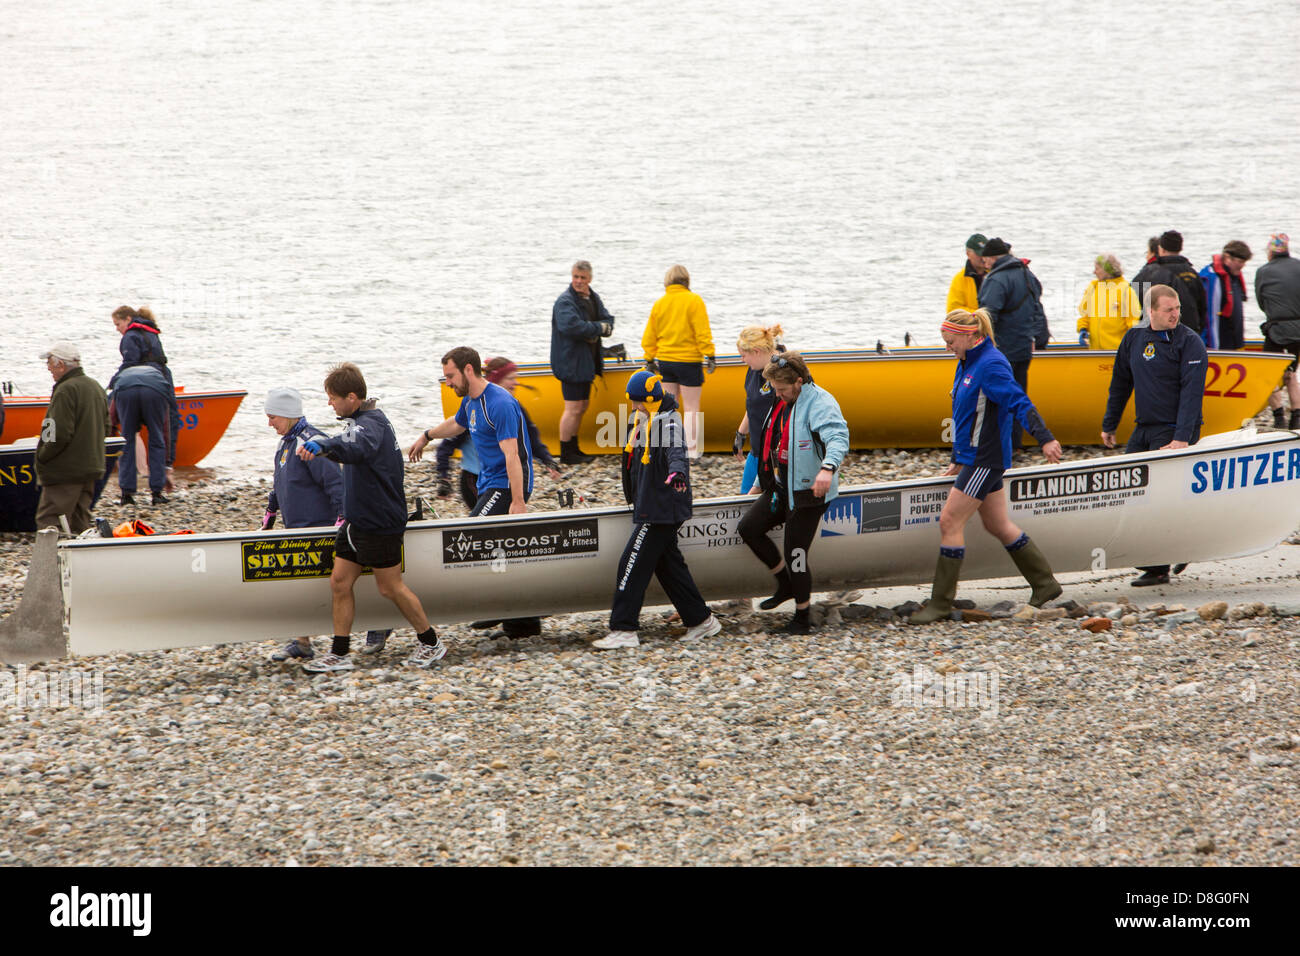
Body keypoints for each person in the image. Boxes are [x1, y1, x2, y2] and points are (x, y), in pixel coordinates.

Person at [910, 310, 1064, 624]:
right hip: (974, 458)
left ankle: (940, 602)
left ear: (969, 335)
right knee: (998, 525)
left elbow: (1019, 402)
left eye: (950, 341)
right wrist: (957, 457)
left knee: (949, 521)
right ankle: (1045, 584)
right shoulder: (967, 361)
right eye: (945, 342)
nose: (947, 347)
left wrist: (1045, 439)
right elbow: (966, 414)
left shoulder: (991, 364)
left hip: (985, 459)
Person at [296, 363, 446, 671]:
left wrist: (322, 445)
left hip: (380, 520)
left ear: (352, 397)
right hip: (356, 521)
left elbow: (354, 446)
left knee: (390, 587)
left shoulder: (371, 425)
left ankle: (431, 643)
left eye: (332, 397)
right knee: (339, 582)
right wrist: (327, 445)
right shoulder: (358, 420)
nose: (329, 403)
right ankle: (339, 655)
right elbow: (349, 441)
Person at [409, 347, 541, 638]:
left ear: (469, 370)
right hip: (489, 482)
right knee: (499, 550)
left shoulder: (500, 403)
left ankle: (495, 608)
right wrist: (426, 435)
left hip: (508, 483)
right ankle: (522, 622)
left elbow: (513, 456)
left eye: (450, 376)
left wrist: (518, 501)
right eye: (445, 377)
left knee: (471, 535)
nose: (448, 383)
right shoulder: (470, 402)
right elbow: (456, 424)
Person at [592, 370, 722, 649]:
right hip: (652, 506)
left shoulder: (668, 423)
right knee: (668, 566)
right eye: (634, 402)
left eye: (639, 402)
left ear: (651, 398)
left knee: (632, 563)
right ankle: (701, 621)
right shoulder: (645, 419)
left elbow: (676, 451)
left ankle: (623, 629)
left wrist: (677, 474)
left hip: (661, 510)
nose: (635, 407)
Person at [1101, 285, 1207, 587]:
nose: (1175, 314)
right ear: (1151, 312)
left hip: (1175, 428)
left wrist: (1182, 437)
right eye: (1168, 310)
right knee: (1125, 487)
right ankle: (1173, 549)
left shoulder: (1189, 342)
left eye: (1177, 309)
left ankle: (1160, 565)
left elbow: (1192, 393)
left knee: (1158, 498)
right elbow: (1120, 383)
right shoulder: (1135, 338)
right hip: (1144, 426)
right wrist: (1109, 424)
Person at [738, 352, 849, 634]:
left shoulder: (820, 402)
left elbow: (838, 437)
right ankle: (785, 584)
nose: (778, 394)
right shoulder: (786, 399)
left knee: (796, 553)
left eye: (782, 389)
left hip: (809, 491)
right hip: (782, 486)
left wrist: (827, 469)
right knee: (748, 528)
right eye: (775, 389)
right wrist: (762, 482)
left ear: (799, 381)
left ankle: (802, 618)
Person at [259, 386, 353, 663]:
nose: (269, 423)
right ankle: (302, 641)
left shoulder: (310, 442)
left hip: (319, 528)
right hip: (295, 527)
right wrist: (271, 511)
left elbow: (335, 483)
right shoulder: (285, 443)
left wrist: (342, 518)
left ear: (287, 415)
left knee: (336, 585)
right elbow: (280, 480)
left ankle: (376, 625)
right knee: (296, 584)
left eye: (272, 417)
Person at [977, 237, 1049, 449]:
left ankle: (999, 444)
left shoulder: (996, 280)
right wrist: (1039, 338)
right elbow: (1037, 308)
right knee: (1018, 395)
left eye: (985, 260)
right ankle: (1014, 442)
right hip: (1023, 348)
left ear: (992, 258)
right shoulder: (1027, 274)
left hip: (1001, 351)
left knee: (996, 397)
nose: (984, 265)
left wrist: (980, 347)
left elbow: (987, 316)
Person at [34, 342, 109, 535]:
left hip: (65, 471)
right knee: (79, 522)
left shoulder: (65, 389)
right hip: (90, 468)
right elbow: (107, 426)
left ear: (61, 365)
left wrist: (42, 457)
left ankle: (51, 564)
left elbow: (56, 432)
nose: (48, 368)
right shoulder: (95, 387)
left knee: (50, 522)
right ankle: (81, 563)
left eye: (50, 363)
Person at [641, 264, 716, 457]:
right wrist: (709, 354)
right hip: (689, 361)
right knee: (691, 407)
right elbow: (702, 331)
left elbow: (650, 334)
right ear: (686, 280)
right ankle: (691, 450)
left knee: (668, 406)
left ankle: (667, 448)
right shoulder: (694, 301)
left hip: (665, 360)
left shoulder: (660, 303)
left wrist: (649, 357)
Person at [109, 306, 182, 487]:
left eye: (118, 324)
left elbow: (130, 364)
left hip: (140, 384)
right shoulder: (151, 331)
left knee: (127, 433)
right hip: (162, 381)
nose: (117, 328)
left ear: (127, 319)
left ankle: (127, 488)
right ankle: (164, 473)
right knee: (162, 432)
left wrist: (111, 385)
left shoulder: (130, 336)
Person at [551, 260, 615, 464]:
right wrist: (598, 329)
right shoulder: (565, 302)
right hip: (569, 363)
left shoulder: (593, 298)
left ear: (590, 279)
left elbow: (609, 320)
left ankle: (574, 447)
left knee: (582, 405)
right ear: (572, 277)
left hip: (585, 363)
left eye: (582, 278)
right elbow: (571, 327)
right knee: (572, 408)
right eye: (575, 277)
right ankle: (565, 451)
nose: (578, 281)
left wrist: (598, 328)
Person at [109, 352, 174, 506]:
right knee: (157, 439)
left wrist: (111, 451)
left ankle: (126, 495)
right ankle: (157, 493)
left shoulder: (123, 376)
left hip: (125, 390)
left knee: (126, 440)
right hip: (155, 390)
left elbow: (111, 420)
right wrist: (167, 465)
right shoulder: (158, 376)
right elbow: (165, 431)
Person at [732, 324, 785, 494]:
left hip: (776, 453)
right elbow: (753, 406)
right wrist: (740, 434)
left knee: (757, 501)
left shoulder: (782, 372)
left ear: (756, 351)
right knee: (744, 498)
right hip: (757, 450)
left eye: (743, 355)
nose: (742, 360)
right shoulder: (754, 369)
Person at [1255, 233, 1300, 429]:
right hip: (1298, 329)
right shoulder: (1298, 266)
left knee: (1268, 374)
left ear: (1270, 252)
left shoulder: (1263, 271)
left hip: (1275, 329)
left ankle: (1279, 415)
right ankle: (1297, 417)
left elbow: (1261, 302)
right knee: (1291, 372)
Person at [1129, 230, 1207, 334]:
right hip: (1188, 334)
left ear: (1160, 249)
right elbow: (1203, 308)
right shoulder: (1193, 274)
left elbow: (1132, 305)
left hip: (1156, 336)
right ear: (1180, 248)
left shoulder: (1149, 273)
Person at [1076, 254, 1141, 350]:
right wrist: (1083, 329)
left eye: (1097, 269)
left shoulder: (1125, 290)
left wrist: (1132, 345)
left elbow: (1133, 322)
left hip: (1116, 351)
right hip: (1094, 351)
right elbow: (1085, 315)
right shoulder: (1093, 288)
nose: (1094, 272)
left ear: (1107, 270)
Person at [1199, 240, 1253, 350]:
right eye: (1240, 262)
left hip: (1233, 341)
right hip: (1220, 344)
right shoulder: (1213, 278)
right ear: (1228, 258)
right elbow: (1210, 316)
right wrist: (1211, 347)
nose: (1243, 266)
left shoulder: (1234, 276)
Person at [945, 233, 988, 313]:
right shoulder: (959, 279)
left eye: (985, 253)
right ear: (968, 254)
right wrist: (980, 316)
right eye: (979, 254)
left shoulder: (997, 273)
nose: (983, 257)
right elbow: (953, 310)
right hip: (972, 323)